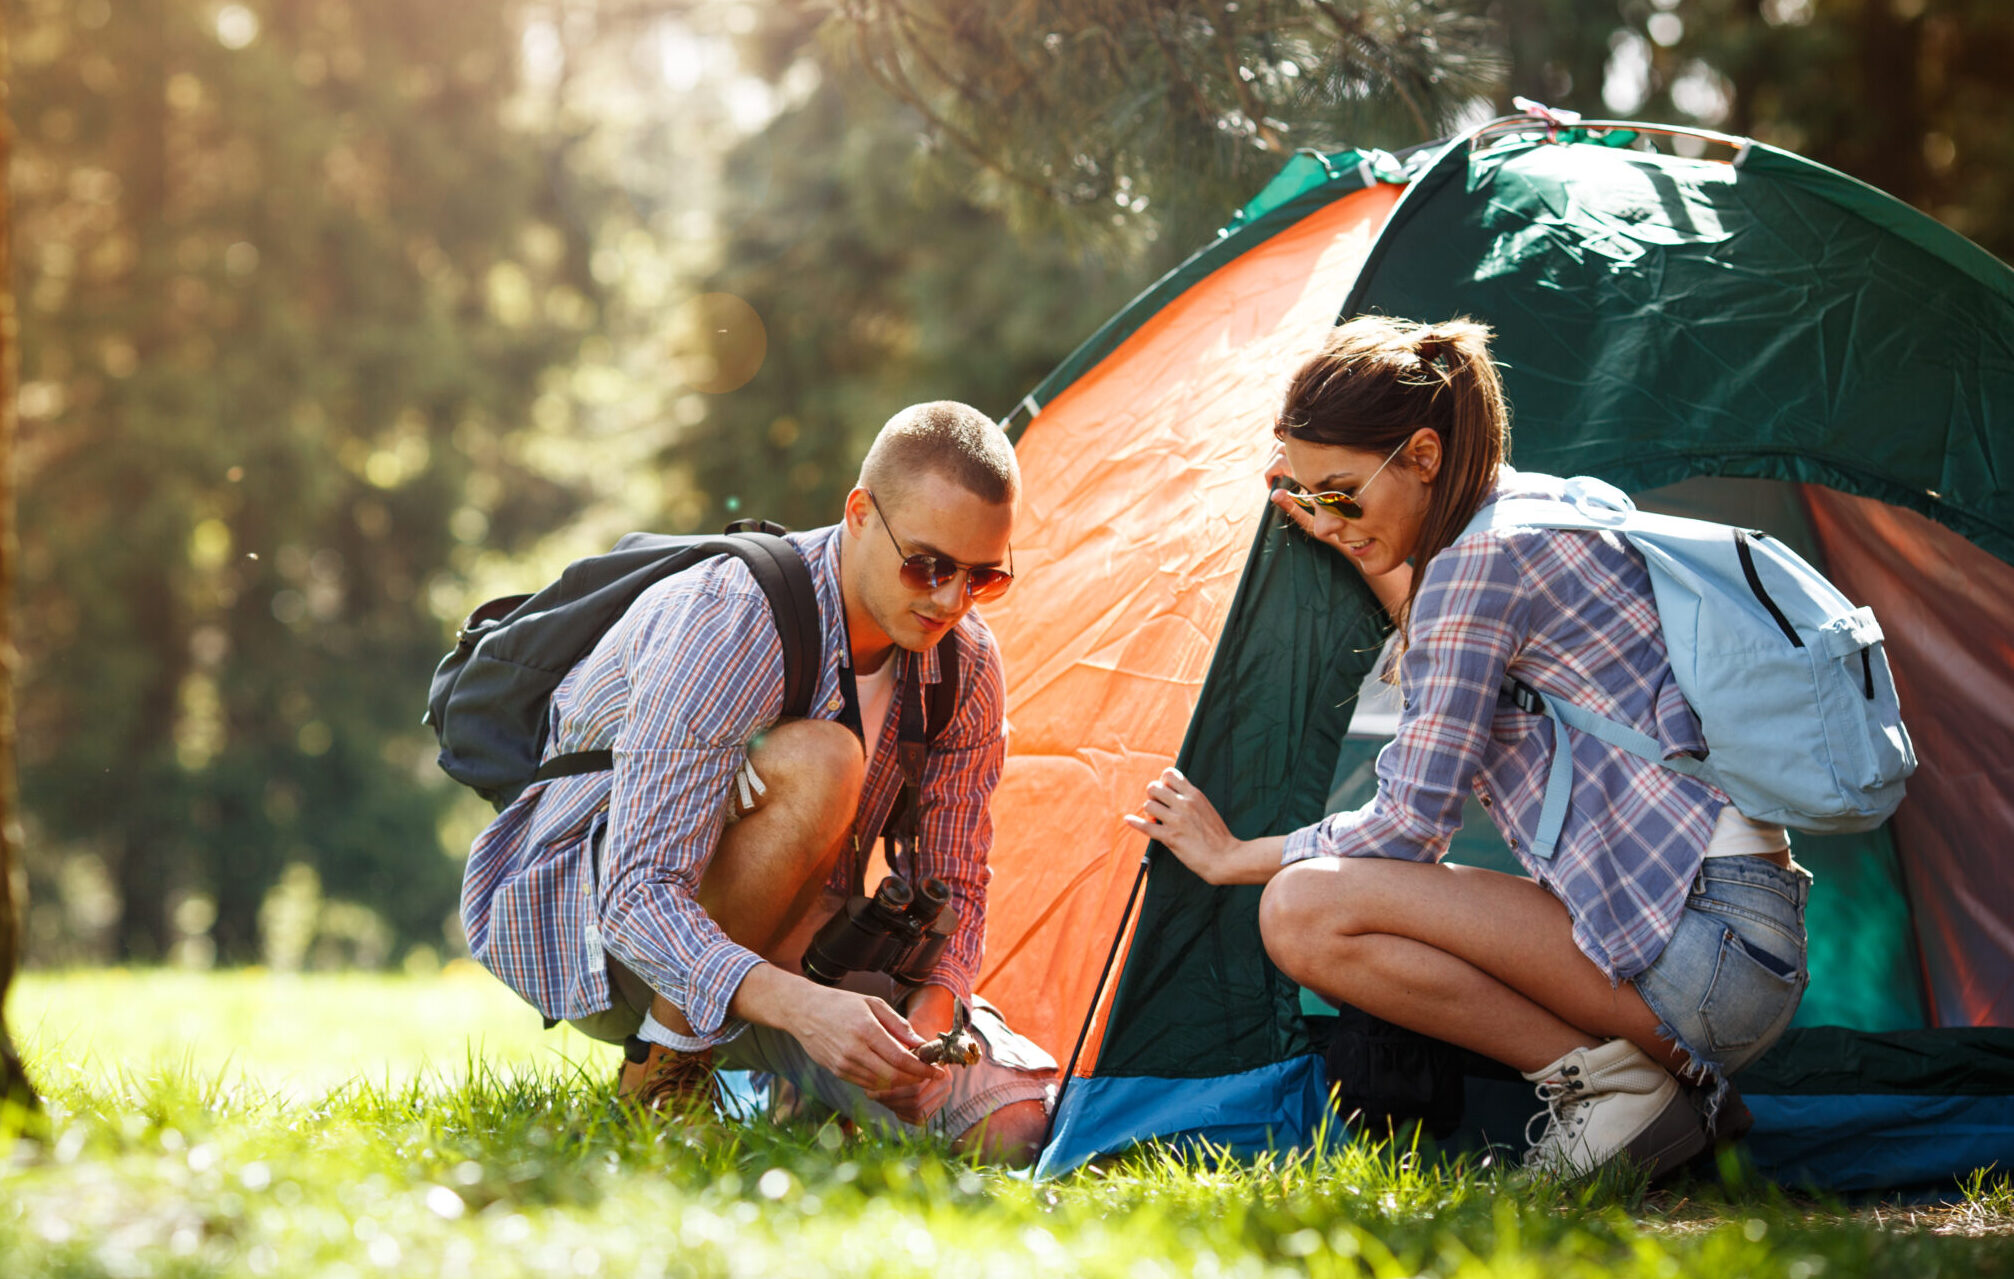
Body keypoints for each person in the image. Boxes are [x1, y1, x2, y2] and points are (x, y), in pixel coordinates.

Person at [1125, 316, 1812, 1181]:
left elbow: (1411, 827)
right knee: (1323, 899)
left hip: (1702, 950)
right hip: (1734, 940)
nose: (1329, 516)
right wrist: (1350, 524)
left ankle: (1614, 1091)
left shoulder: (1476, 569)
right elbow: (1442, 617)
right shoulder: (1529, 511)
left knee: (1301, 909)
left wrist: (1235, 857)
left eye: (1341, 491)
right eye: (1312, 496)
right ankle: (1669, 1088)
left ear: (1420, 455)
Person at [461, 401, 1056, 1163]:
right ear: (860, 513)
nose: (951, 600)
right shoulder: (732, 615)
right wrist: (809, 1010)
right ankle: (666, 1071)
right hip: (601, 936)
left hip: (803, 941)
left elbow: (956, 880)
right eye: (929, 566)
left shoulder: (966, 662)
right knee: (825, 762)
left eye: (984, 577)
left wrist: (931, 1021)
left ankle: (810, 1097)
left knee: (1008, 1131)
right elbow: (637, 894)